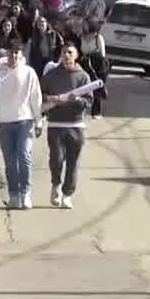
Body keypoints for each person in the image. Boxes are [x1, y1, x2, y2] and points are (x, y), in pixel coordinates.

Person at [0, 45, 43, 210]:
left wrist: (38, 121)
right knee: (10, 161)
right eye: (11, 52)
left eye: (17, 52)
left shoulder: (29, 72)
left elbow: (35, 98)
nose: (14, 55)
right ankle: (14, 195)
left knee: (24, 155)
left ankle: (25, 193)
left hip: (25, 121)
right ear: (7, 54)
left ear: (21, 54)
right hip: (5, 122)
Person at [41, 45, 93, 209]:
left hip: (76, 125)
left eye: (70, 52)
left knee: (73, 162)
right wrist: (50, 98)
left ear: (76, 55)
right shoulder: (51, 75)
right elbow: (38, 95)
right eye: (64, 52)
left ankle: (67, 194)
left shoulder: (83, 77)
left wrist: (76, 100)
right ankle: (55, 185)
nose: (67, 55)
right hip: (55, 124)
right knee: (56, 159)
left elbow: (89, 102)